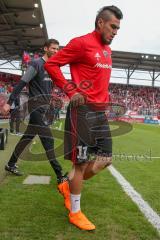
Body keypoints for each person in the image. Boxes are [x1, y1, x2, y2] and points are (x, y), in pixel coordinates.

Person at [45, 6, 123, 230]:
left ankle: (69, 186)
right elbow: (52, 64)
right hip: (82, 112)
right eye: (113, 26)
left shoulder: (108, 51)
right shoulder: (80, 43)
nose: (115, 32)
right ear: (100, 23)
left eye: (118, 28)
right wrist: (71, 90)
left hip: (100, 114)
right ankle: (75, 212)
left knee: (105, 159)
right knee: (79, 164)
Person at [2, 39, 69, 194]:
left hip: (44, 108)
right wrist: (9, 102)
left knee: (27, 137)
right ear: (45, 48)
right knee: (48, 140)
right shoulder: (36, 64)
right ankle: (60, 175)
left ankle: (11, 164)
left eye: (57, 49)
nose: (55, 51)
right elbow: (21, 83)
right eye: (53, 48)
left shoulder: (53, 67)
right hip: (35, 107)